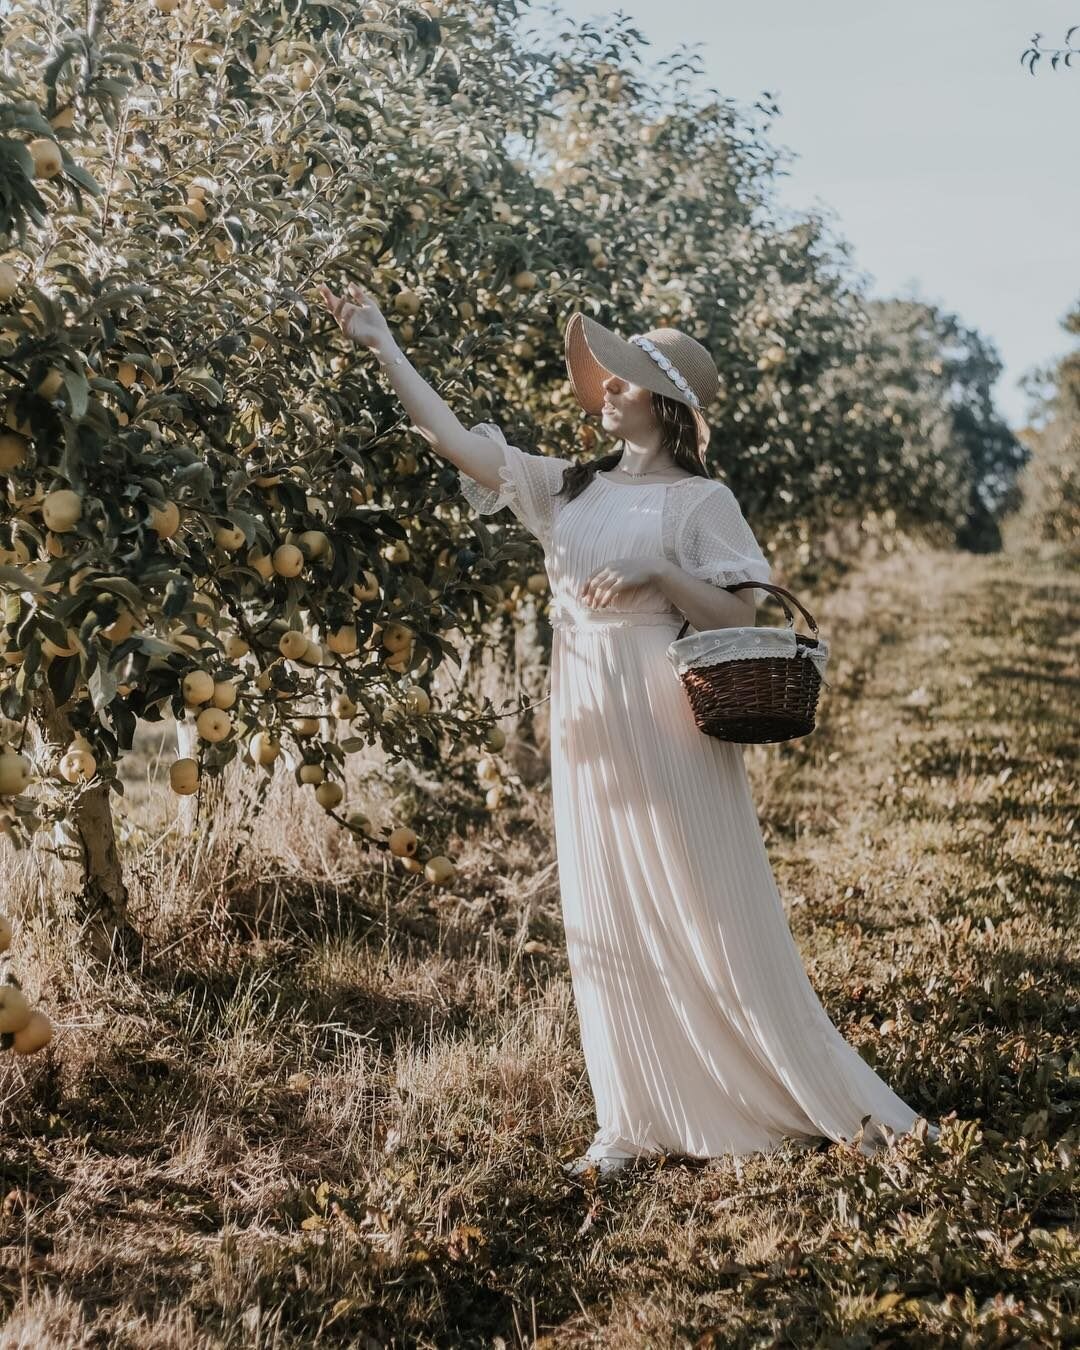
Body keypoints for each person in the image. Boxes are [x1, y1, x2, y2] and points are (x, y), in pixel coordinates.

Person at [319, 284, 941, 1179]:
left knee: (702, 891)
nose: (603, 389)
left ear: (666, 403)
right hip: (583, 705)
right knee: (604, 895)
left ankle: (770, 1080)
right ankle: (630, 1118)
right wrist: (382, 344)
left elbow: (739, 604)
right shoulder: (567, 486)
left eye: (624, 381)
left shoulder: (699, 501)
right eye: (605, 378)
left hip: (662, 702)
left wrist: (656, 564)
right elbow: (453, 440)